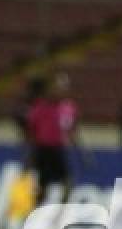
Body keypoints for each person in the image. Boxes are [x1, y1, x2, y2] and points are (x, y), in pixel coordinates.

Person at [19, 72, 90, 206]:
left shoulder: (68, 108)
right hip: (43, 150)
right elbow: (30, 132)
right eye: (57, 87)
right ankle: (37, 216)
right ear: (50, 88)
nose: (60, 91)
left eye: (63, 87)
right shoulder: (39, 107)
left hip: (58, 150)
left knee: (68, 183)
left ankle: (60, 214)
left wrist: (83, 153)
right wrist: (27, 154)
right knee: (43, 188)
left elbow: (72, 132)